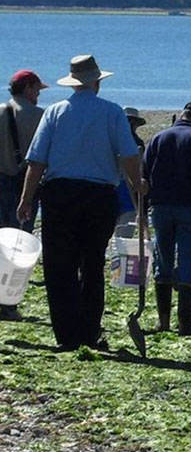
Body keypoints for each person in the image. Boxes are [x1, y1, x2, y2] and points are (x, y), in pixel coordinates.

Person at [17, 55, 145, 351]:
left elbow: (36, 162)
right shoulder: (112, 113)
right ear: (96, 82)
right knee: (92, 264)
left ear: (75, 83)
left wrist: (26, 199)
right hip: (98, 196)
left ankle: (66, 334)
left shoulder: (55, 112)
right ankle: (88, 331)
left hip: (60, 194)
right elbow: (128, 154)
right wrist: (137, 184)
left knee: (59, 266)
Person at [143, 102, 191, 337]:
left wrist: (145, 206)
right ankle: (185, 325)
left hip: (161, 206)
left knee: (162, 260)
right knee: (187, 263)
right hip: (189, 208)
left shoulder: (158, 138)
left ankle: (163, 322)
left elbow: (145, 173)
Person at [0, 69, 47, 320]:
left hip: (1, 183)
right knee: (18, 246)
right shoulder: (40, 116)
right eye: (37, 90)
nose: (38, 95)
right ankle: (8, 304)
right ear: (28, 89)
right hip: (25, 185)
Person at [115, 106, 148, 227]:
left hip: (116, 185)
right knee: (125, 226)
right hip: (126, 187)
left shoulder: (114, 138)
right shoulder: (135, 142)